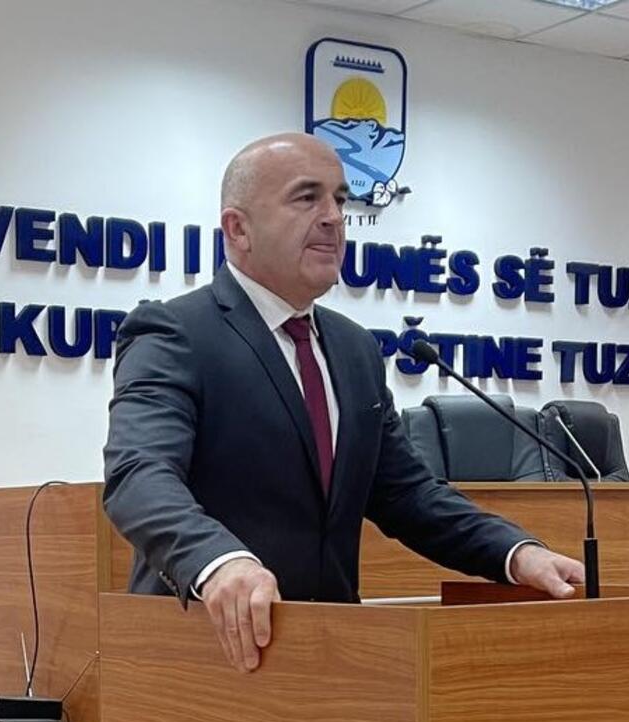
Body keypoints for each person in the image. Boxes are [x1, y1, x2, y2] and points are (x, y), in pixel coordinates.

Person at [102, 132, 584, 672]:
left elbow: (406, 494)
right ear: (238, 229)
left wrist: (516, 553)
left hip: (331, 660)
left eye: (339, 199)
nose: (334, 217)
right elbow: (139, 476)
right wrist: (218, 562)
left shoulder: (354, 348)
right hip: (206, 656)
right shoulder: (175, 332)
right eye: (306, 197)